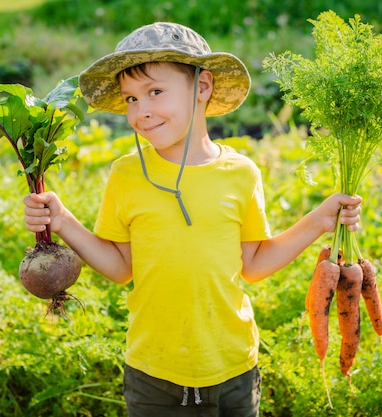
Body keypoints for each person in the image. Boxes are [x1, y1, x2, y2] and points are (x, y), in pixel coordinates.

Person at [23, 22, 361, 417]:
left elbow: (252, 264)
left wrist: (319, 220)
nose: (141, 110)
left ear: (202, 88)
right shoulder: (126, 174)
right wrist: (62, 221)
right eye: (131, 99)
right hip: (153, 371)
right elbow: (120, 268)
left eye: (155, 92)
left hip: (232, 366)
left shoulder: (241, 173)